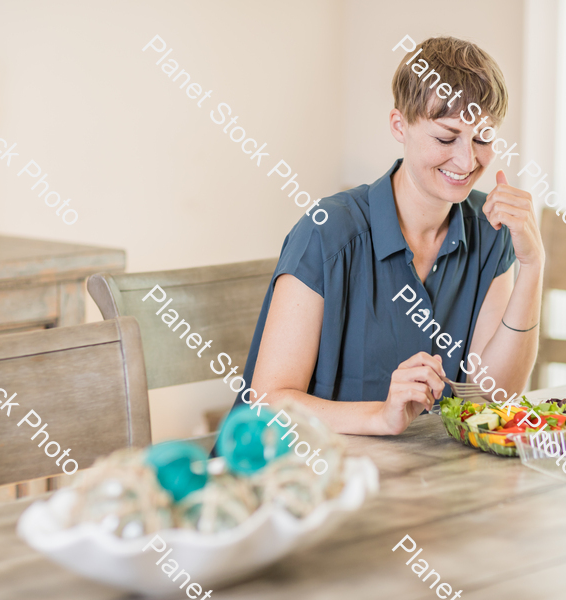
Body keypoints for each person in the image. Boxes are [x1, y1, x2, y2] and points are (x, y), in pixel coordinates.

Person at [229, 36, 544, 436]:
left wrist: (533, 266)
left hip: (418, 481)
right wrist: (380, 417)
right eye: (446, 138)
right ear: (400, 125)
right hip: (297, 476)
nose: (467, 160)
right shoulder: (327, 232)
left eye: (482, 137)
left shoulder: (491, 231)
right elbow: (267, 403)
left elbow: (493, 399)